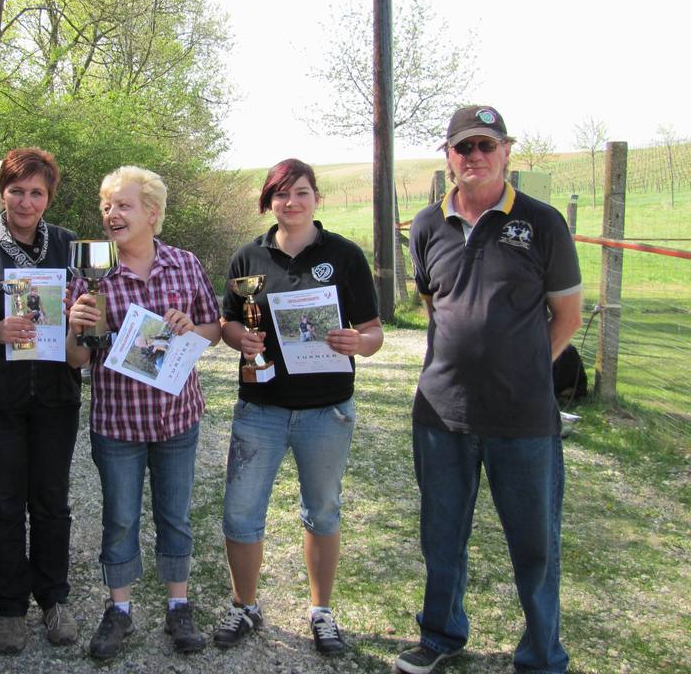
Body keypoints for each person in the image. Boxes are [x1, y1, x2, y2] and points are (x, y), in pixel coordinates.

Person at [396, 106, 583, 674]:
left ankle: (542, 656)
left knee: (535, 546)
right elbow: (435, 306)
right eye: (463, 147)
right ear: (448, 156)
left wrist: (526, 369)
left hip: (523, 419)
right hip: (441, 414)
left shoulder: (543, 222)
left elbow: (567, 316)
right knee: (441, 537)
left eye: (485, 145)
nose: (474, 156)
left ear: (506, 151)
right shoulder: (426, 225)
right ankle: (441, 635)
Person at [213, 158, 384, 656]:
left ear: (316, 198)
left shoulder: (345, 255)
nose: (292, 202)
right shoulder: (248, 257)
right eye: (282, 194)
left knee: (322, 511)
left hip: (326, 410)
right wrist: (240, 339)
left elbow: (373, 331)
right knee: (240, 513)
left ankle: (321, 611)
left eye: (301, 192)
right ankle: (244, 605)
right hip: (259, 408)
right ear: (269, 200)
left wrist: (359, 343)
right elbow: (228, 322)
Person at [66, 166, 221, 660]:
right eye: (107, 205)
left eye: (123, 205)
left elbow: (214, 329)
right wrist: (78, 326)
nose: (112, 213)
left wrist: (190, 327)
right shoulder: (90, 274)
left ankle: (179, 606)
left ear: (152, 213)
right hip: (118, 424)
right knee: (120, 520)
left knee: (175, 517)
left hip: (177, 418)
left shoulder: (184, 264)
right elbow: (75, 359)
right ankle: (120, 610)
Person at [0, 148, 82, 653]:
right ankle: (10, 607)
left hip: (56, 397)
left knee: (52, 502)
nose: (25, 202)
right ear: (2, 193)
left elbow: (97, 312)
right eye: (16, 191)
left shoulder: (71, 247)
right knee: (4, 504)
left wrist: (81, 316)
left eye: (36, 192)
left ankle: (53, 599)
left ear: (49, 196)